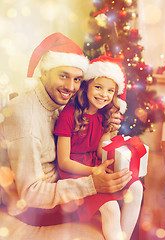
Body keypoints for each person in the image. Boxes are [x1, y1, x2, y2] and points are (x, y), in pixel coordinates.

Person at [0, 33, 132, 238]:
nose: (71, 87)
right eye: (63, 75)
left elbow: (82, 134)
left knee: (130, 186)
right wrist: (91, 184)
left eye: (77, 79)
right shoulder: (26, 117)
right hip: (33, 208)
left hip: (61, 184)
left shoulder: (59, 103)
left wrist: (109, 126)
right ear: (44, 73)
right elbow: (30, 193)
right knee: (111, 204)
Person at [54, 56, 144, 240]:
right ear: (86, 86)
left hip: (95, 163)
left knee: (136, 187)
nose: (104, 94)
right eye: (98, 87)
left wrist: (107, 132)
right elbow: (63, 162)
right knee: (111, 209)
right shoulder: (69, 114)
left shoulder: (103, 114)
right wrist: (94, 171)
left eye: (110, 90)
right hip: (76, 171)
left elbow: (99, 153)